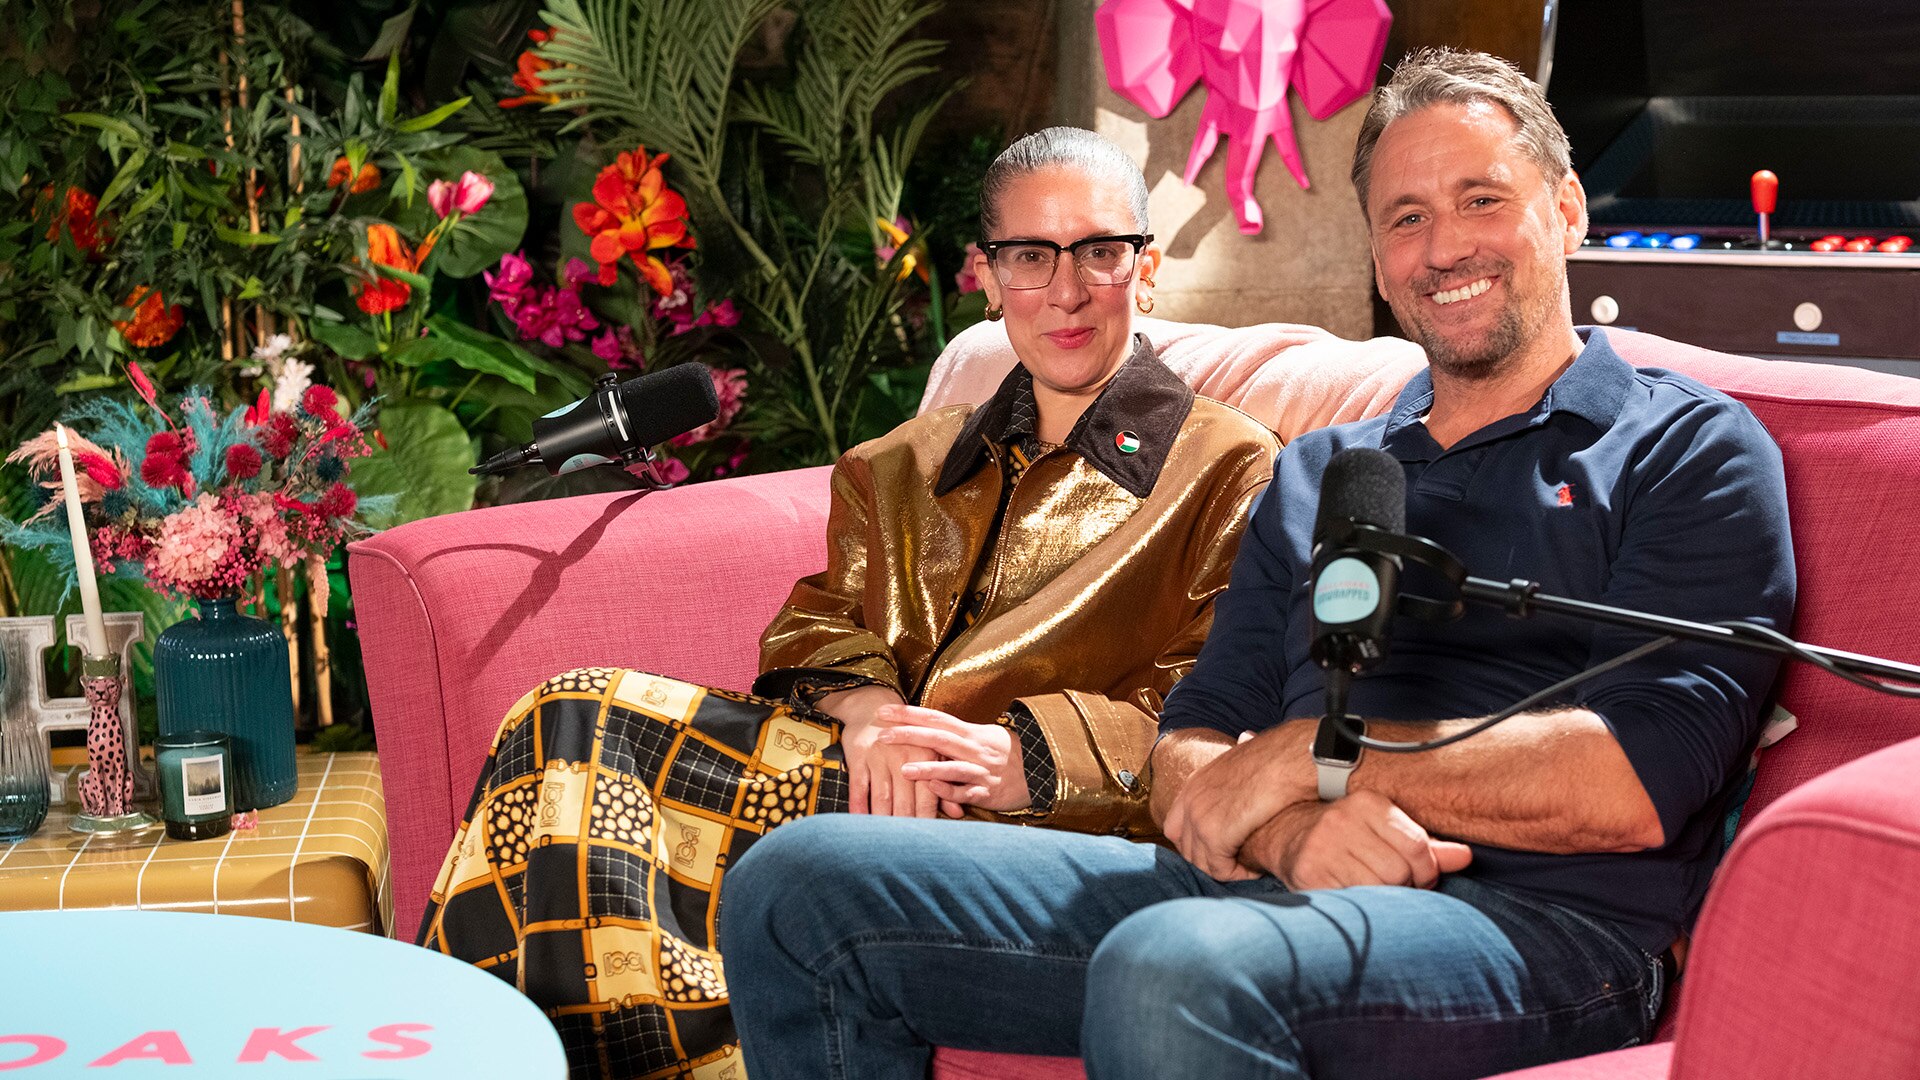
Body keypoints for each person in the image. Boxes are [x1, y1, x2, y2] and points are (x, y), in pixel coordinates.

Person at [718, 48, 1796, 1080]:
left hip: (1541, 928)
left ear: (1565, 210)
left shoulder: (1687, 447)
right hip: (1267, 889)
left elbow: (1643, 777)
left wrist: (1323, 762)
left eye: (1481, 200)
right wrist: (1291, 831)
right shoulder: (1325, 473)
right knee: (798, 884)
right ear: (1378, 257)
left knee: (1176, 966)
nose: (1442, 248)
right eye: (1405, 218)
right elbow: (1191, 744)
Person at [417, 126, 1279, 1078]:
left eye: (1098, 252)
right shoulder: (898, 462)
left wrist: (1028, 757)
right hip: (860, 777)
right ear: (988, 278)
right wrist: (869, 714)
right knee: (566, 734)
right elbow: (821, 619)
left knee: (580, 727)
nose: (1065, 290)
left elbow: (1222, 709)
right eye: (1031, 256)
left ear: (1144, 270)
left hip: (1033, 819)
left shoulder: (1234, 468)